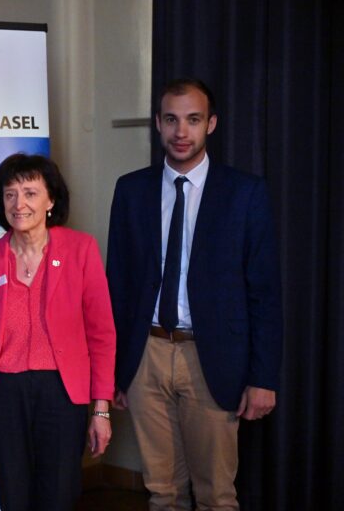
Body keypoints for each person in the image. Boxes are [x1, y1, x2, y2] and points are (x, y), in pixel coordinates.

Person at [107, 78, 282, 510]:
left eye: (192, 119)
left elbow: (264, 292)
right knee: (161, 492)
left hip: (213, 358)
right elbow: (119, 284)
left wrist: (263, 378)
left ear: (212, 124)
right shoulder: (131, 190)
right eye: (171, 120)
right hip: (145, 354)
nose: (181, 131)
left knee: (216, 495)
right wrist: (116, 368)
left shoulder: (244, 193)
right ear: (157, 124)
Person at [0, 153, 116, 510]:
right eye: (10, 193)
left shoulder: (80, 250)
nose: (19, 203)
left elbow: (101, 333)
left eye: (30, 192)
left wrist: (101, 409)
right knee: (13, 496)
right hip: (3, 395)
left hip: (61, 392)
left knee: (59, 495)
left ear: (51, 200)